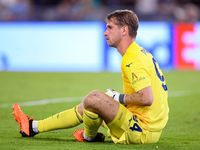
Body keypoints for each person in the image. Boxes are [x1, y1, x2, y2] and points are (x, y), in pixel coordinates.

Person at [12, 9, 169, 144]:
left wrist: (118, 97)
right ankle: (33, 127)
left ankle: (89, 137)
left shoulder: (132, 59)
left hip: (141, 130)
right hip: (147, 128)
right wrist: (116, 98)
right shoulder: (140, 53)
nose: (105, 32)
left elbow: (147, 98)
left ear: (124, 30)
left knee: (93, 98)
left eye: (110, 28)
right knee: (89, 105)